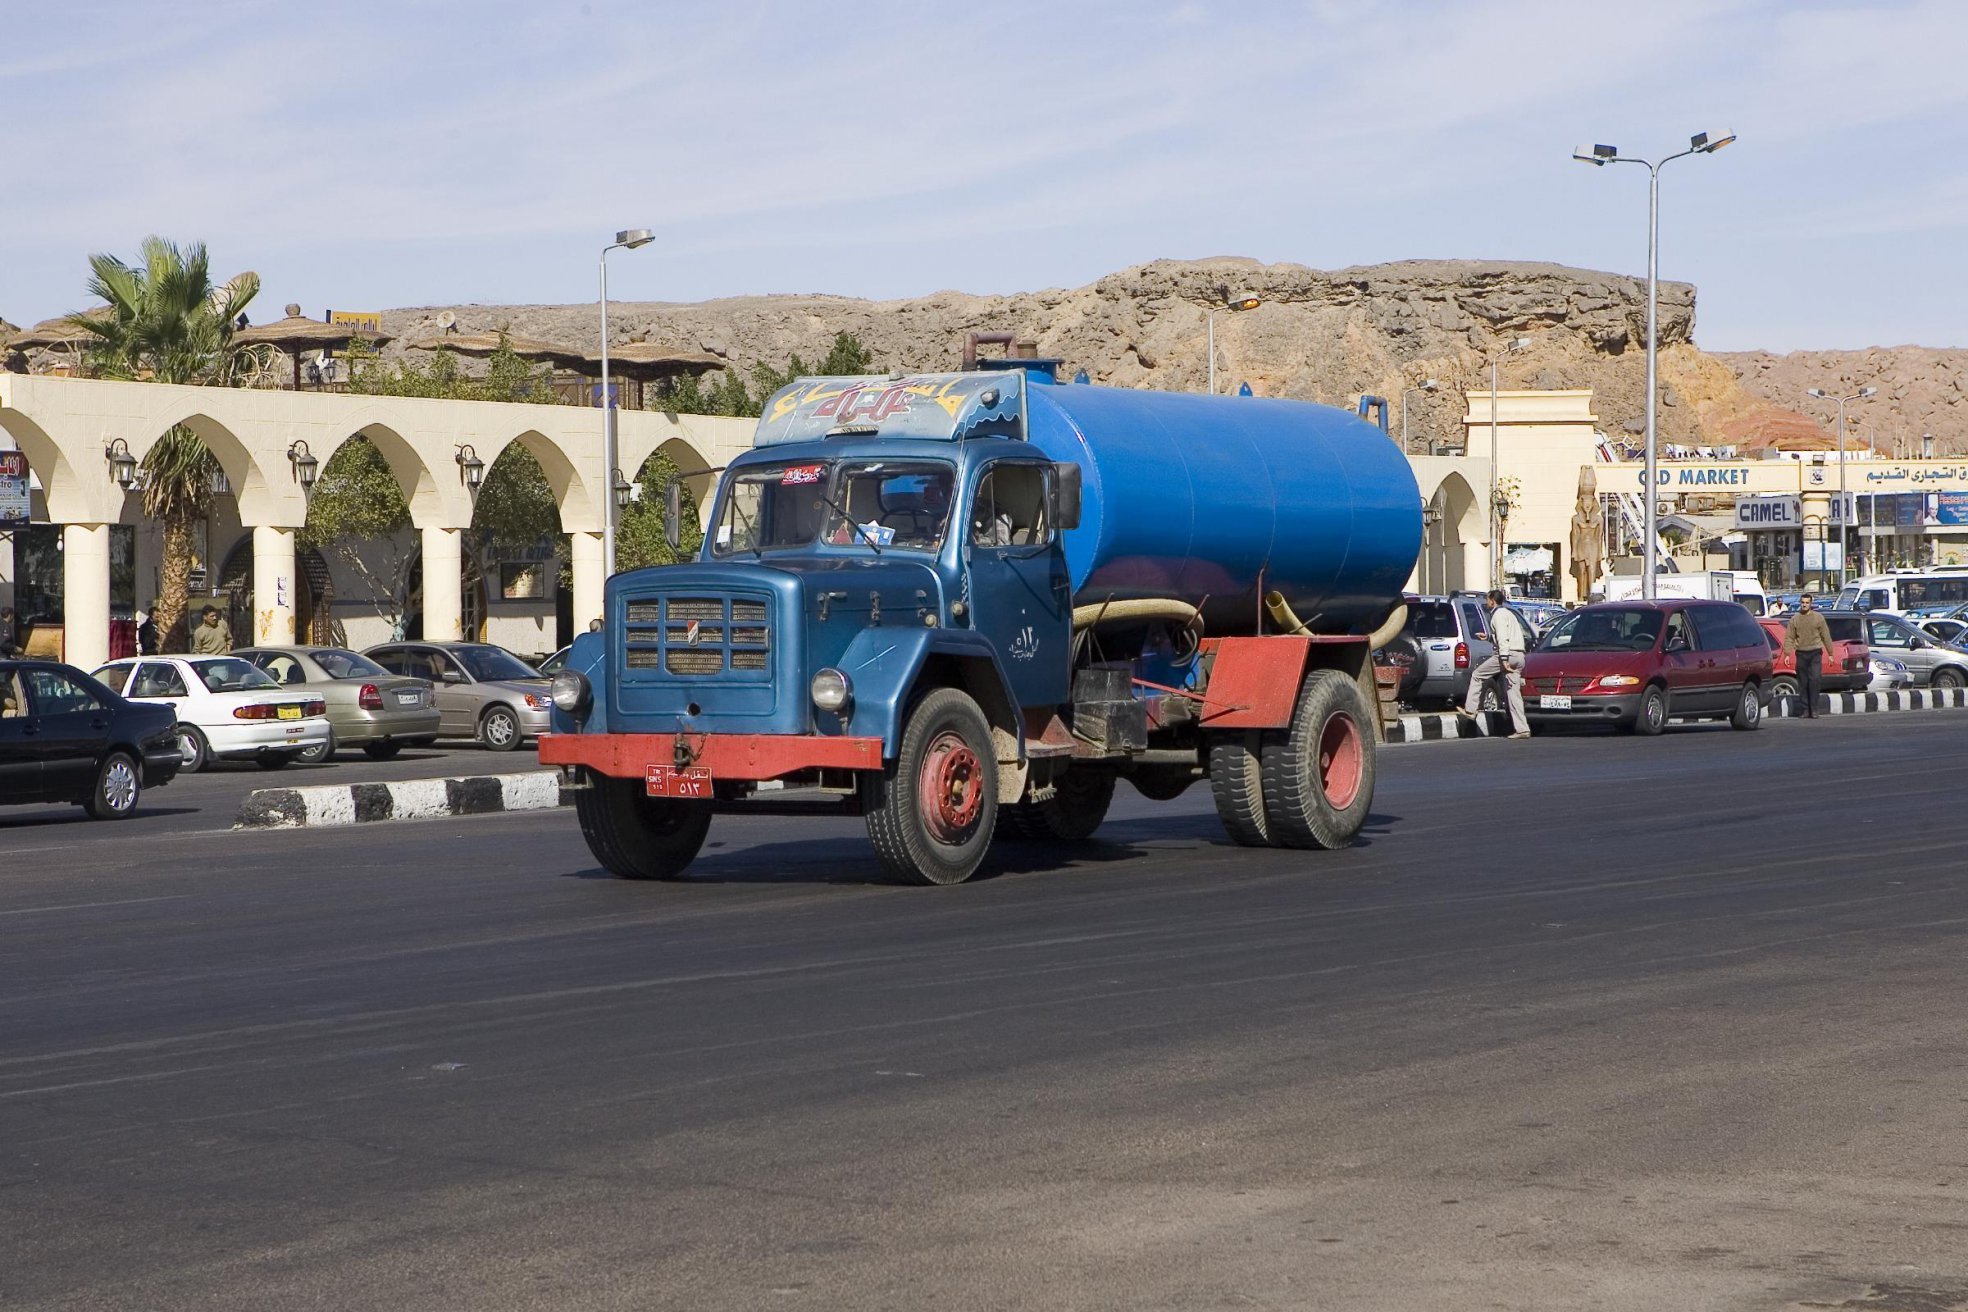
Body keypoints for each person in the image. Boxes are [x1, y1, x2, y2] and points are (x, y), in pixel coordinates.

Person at [1459, 589, 1531, 739]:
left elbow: (1504, 638)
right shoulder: (1509, 613)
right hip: (1519, 656)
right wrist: (1488, 637)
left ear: (1492, 600)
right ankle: (1522, 729)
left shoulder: (1497, 615)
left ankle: (1471, 710)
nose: (1487, 602)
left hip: (1507, 655)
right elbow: (1509, 635)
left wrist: (1503, 659)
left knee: (1477, 675)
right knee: (1513, 693)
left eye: (1488, 599)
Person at [1781, 592, 1832, 718]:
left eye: (1807, 603)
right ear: (1800, 603)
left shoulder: (1818, 618)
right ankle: (1805, 710)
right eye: (1802, 603)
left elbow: (1826, 635)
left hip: (1815, 653)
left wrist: (1830, 653)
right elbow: (1789, 637)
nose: (1804, 605)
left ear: (1811, 604)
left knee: (1814, 680)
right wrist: (1787, 654)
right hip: (1801, 653)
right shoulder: (1795, 619)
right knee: (1803, 682)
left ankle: (1814, 709)